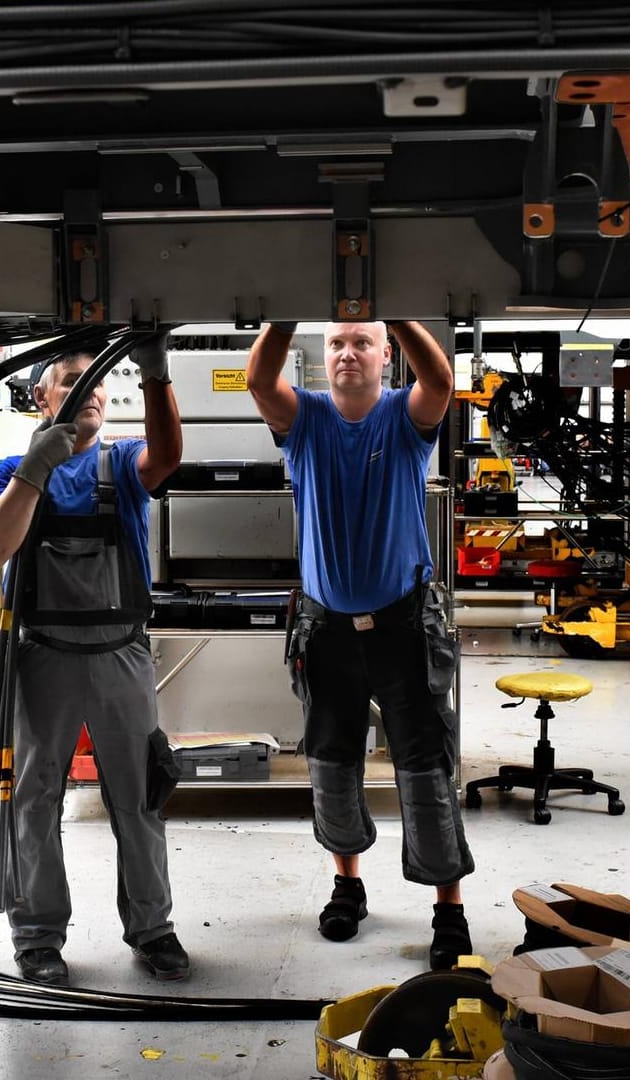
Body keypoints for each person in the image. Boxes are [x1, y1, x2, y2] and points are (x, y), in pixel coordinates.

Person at [245, 319, 473, 970]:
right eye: (338, 342)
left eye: (362, 342)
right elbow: (261, 380)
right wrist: (283, 311)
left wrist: (398, 312)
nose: (349, 352)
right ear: (323, 355)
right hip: (327, 631)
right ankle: (348, 885)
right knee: (333, 764)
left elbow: (440, 381)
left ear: (384, 356)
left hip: (403, 626)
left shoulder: (406, 418)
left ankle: (447, 910)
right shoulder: (306, 419)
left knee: (425, 767)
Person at [0, 335, 188, 986]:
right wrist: (35, 471)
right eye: (70, 380)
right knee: (33, 801)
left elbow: (169, 457)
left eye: (95, 380)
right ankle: (37, 938)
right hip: (42, 661)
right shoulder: (14, 465)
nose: (88, 389)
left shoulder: (121, 463)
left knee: (140, 796)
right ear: (40, 396)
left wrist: (157, 375)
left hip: (122, 654)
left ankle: (153, 929)